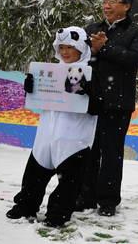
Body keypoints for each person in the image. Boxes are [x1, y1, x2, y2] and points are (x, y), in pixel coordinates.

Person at [7, 27, 97, 228]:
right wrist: (31, 89)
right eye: (61, 47)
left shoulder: (93, 73)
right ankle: (25, 206)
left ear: (81, 48)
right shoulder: (49, 72)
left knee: (69, 182)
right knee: (34, 176)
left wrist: (90, 93)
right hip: (46, 134)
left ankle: (58, 213)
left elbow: (99, 107)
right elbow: (36, 101)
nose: (65, 52)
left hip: (74, 138)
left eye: (70, 47)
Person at [77, 0, 138, 217]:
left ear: (126, 6)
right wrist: (94, 50)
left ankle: (108, 200)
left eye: (112, 1)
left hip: (118, 101)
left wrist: (104, 48)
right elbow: (81, 59)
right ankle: (84, 195)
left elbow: (135, 60)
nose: (106, 5)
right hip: (91, 100)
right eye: (105, 0)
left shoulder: (136, 32)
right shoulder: (91, 29)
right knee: (88, 150)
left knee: (112, 153)